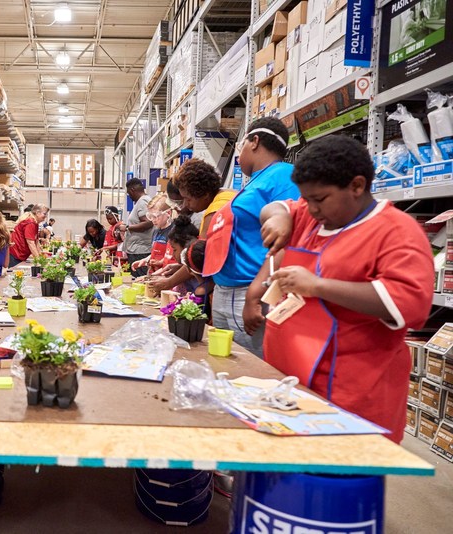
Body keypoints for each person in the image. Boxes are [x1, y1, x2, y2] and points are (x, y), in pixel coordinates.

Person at [247, 135, 434, 443]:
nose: (311, 208)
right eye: (306, 200)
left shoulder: (396, 232)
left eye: (320, 199)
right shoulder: (311, 216)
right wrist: (279, 218)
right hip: (295, 387)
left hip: (352, 395)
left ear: (357, 186)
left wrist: (318, 285)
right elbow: (277, 207)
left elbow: (409, 304)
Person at [203, 117, 301, 357]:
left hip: (250, 293)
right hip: (229, 292)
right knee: (225, 368)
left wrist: (254, 297)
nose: (239, 154)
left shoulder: (283, 176)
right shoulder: (255, 182)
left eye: (241, 145)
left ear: (254, 141)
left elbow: (290, 239)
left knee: (250, 373)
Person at [172, 158, 236, 237]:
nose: (185, 204)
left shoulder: (213, 214)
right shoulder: (230, 193)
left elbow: (202, 248)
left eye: (188, 199)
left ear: (205, 194)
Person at [119, 178, 154, 277]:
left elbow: (148, 223)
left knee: (139, 281)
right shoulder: (143, 201)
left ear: (132, 190)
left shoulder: (143, 202)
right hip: (137, 250)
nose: (129, 196)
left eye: (129, 194)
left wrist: (127, 227)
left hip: (140, 251)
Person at [130, 194, 173, 273]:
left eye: (155, 216)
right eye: (150, 216)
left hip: (165, 275)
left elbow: (170, 258)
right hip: (154, 273)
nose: (153, 220)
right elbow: (155, 254)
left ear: (168, 213)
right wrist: (145, 260)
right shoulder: (156, 231)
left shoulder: (173, 232)